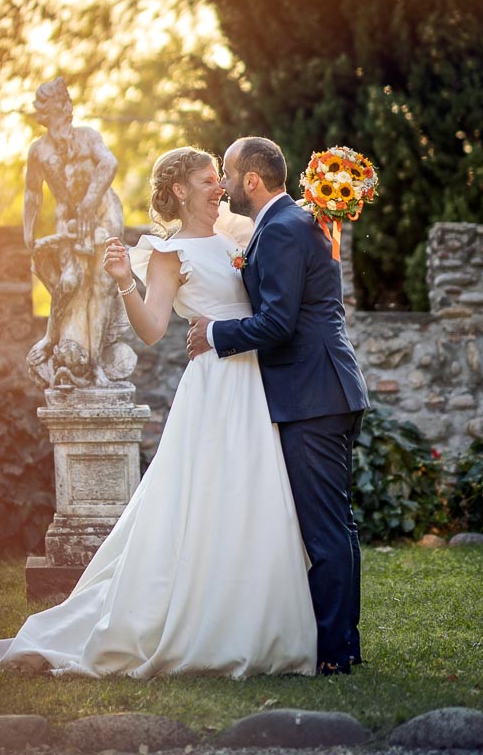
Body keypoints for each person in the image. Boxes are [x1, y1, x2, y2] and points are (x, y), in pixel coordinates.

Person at [0, 146, 317, 678]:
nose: (219, 187)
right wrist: (123, 280)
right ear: (182, 191)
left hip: (255, 384)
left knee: (253, 497)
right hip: (214, 389)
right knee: (205, 501)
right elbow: (153, 329)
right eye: (208, 180)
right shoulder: (168, 252)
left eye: (220, 178)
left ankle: (259, 623)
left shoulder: (240, 235)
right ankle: (190, 625)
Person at [187, 135, 372, 675]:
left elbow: (278, 322)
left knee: (326, 529)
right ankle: (336, 645)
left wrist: (215, 333)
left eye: (227, 173)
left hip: (313, 396)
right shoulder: (281, 224)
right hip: (318, 392)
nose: (221, 184)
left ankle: (337, 652)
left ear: (251, 180)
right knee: (331, 525)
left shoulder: (286, 228)